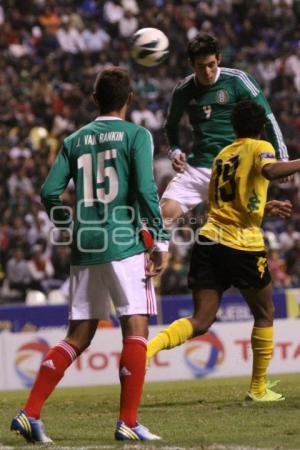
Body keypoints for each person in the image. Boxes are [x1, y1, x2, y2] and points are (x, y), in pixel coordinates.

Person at [11, 67, 169, 443]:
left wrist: (70, 226)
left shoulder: (75, 139)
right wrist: (160, 240)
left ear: (95, 99)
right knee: (136, 327)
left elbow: (50, 192)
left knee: (78, 335)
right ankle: (128, 421)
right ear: (129, 99)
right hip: (124, 241)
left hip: (86, 242)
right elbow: (147, 190)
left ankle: (29, 413)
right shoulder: (137, 135)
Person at [148, 99, 300, 402]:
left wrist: (265, 208)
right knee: (265, 312)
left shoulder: (222, 156)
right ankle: (258, 389)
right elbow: (270, 171)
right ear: (260, 128)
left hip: (208, 241)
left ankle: (146, 350)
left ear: (233, 127)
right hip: (241, 244)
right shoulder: (259, 148)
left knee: (201, 320)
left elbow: (223, 205)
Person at [161, 33, 291, 224]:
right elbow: (170, 126)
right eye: (200, 66)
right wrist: (175, 150)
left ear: (219, 59)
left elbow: (268, 117)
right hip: (197, 169)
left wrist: (282, 156)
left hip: (233, 171)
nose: (207, 71)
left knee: (236, 230)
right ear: (191, 64)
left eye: (211, 64)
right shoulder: (183, 90)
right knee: (159, 219)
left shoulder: (238, 81)